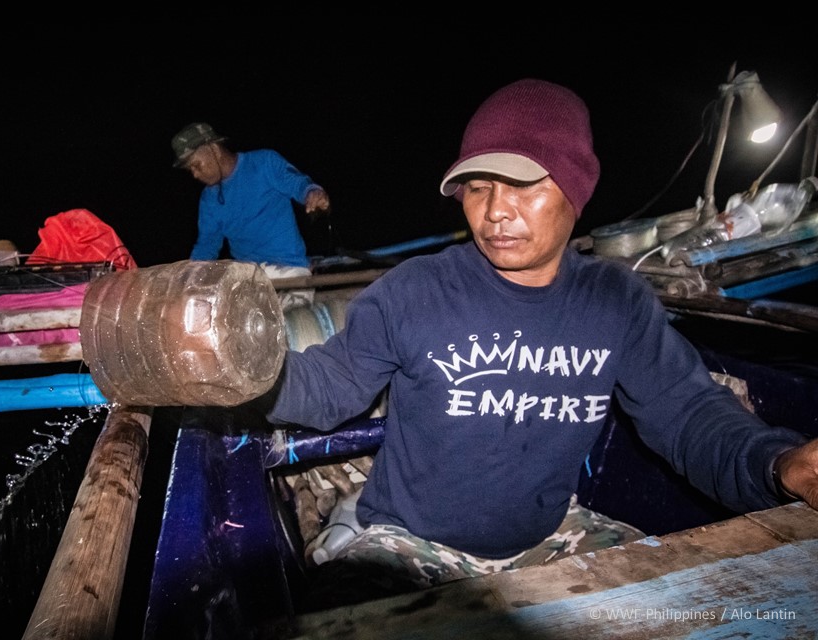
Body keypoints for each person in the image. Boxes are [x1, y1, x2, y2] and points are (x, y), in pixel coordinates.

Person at [260, 79, 818, 607]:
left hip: (552, 535)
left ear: (575, 187)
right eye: (478, 187)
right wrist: (243, 368)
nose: (495, 209)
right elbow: (328, 385)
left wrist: (776, 463)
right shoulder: (415, 291)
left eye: (522, 184)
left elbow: (689, 415)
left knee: (697, 608)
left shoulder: (615, 302)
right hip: (412, 543)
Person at [171, 122, 330, 311]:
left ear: (214, 149)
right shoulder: (209, 199)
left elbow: (297, 183)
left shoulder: (264, 163)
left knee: (289, 327)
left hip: (289, 273)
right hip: (247, 281)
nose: (195, 174)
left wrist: (312, 193)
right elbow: (207, 246)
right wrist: (187, 280)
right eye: (191, 170)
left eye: (197, 165)